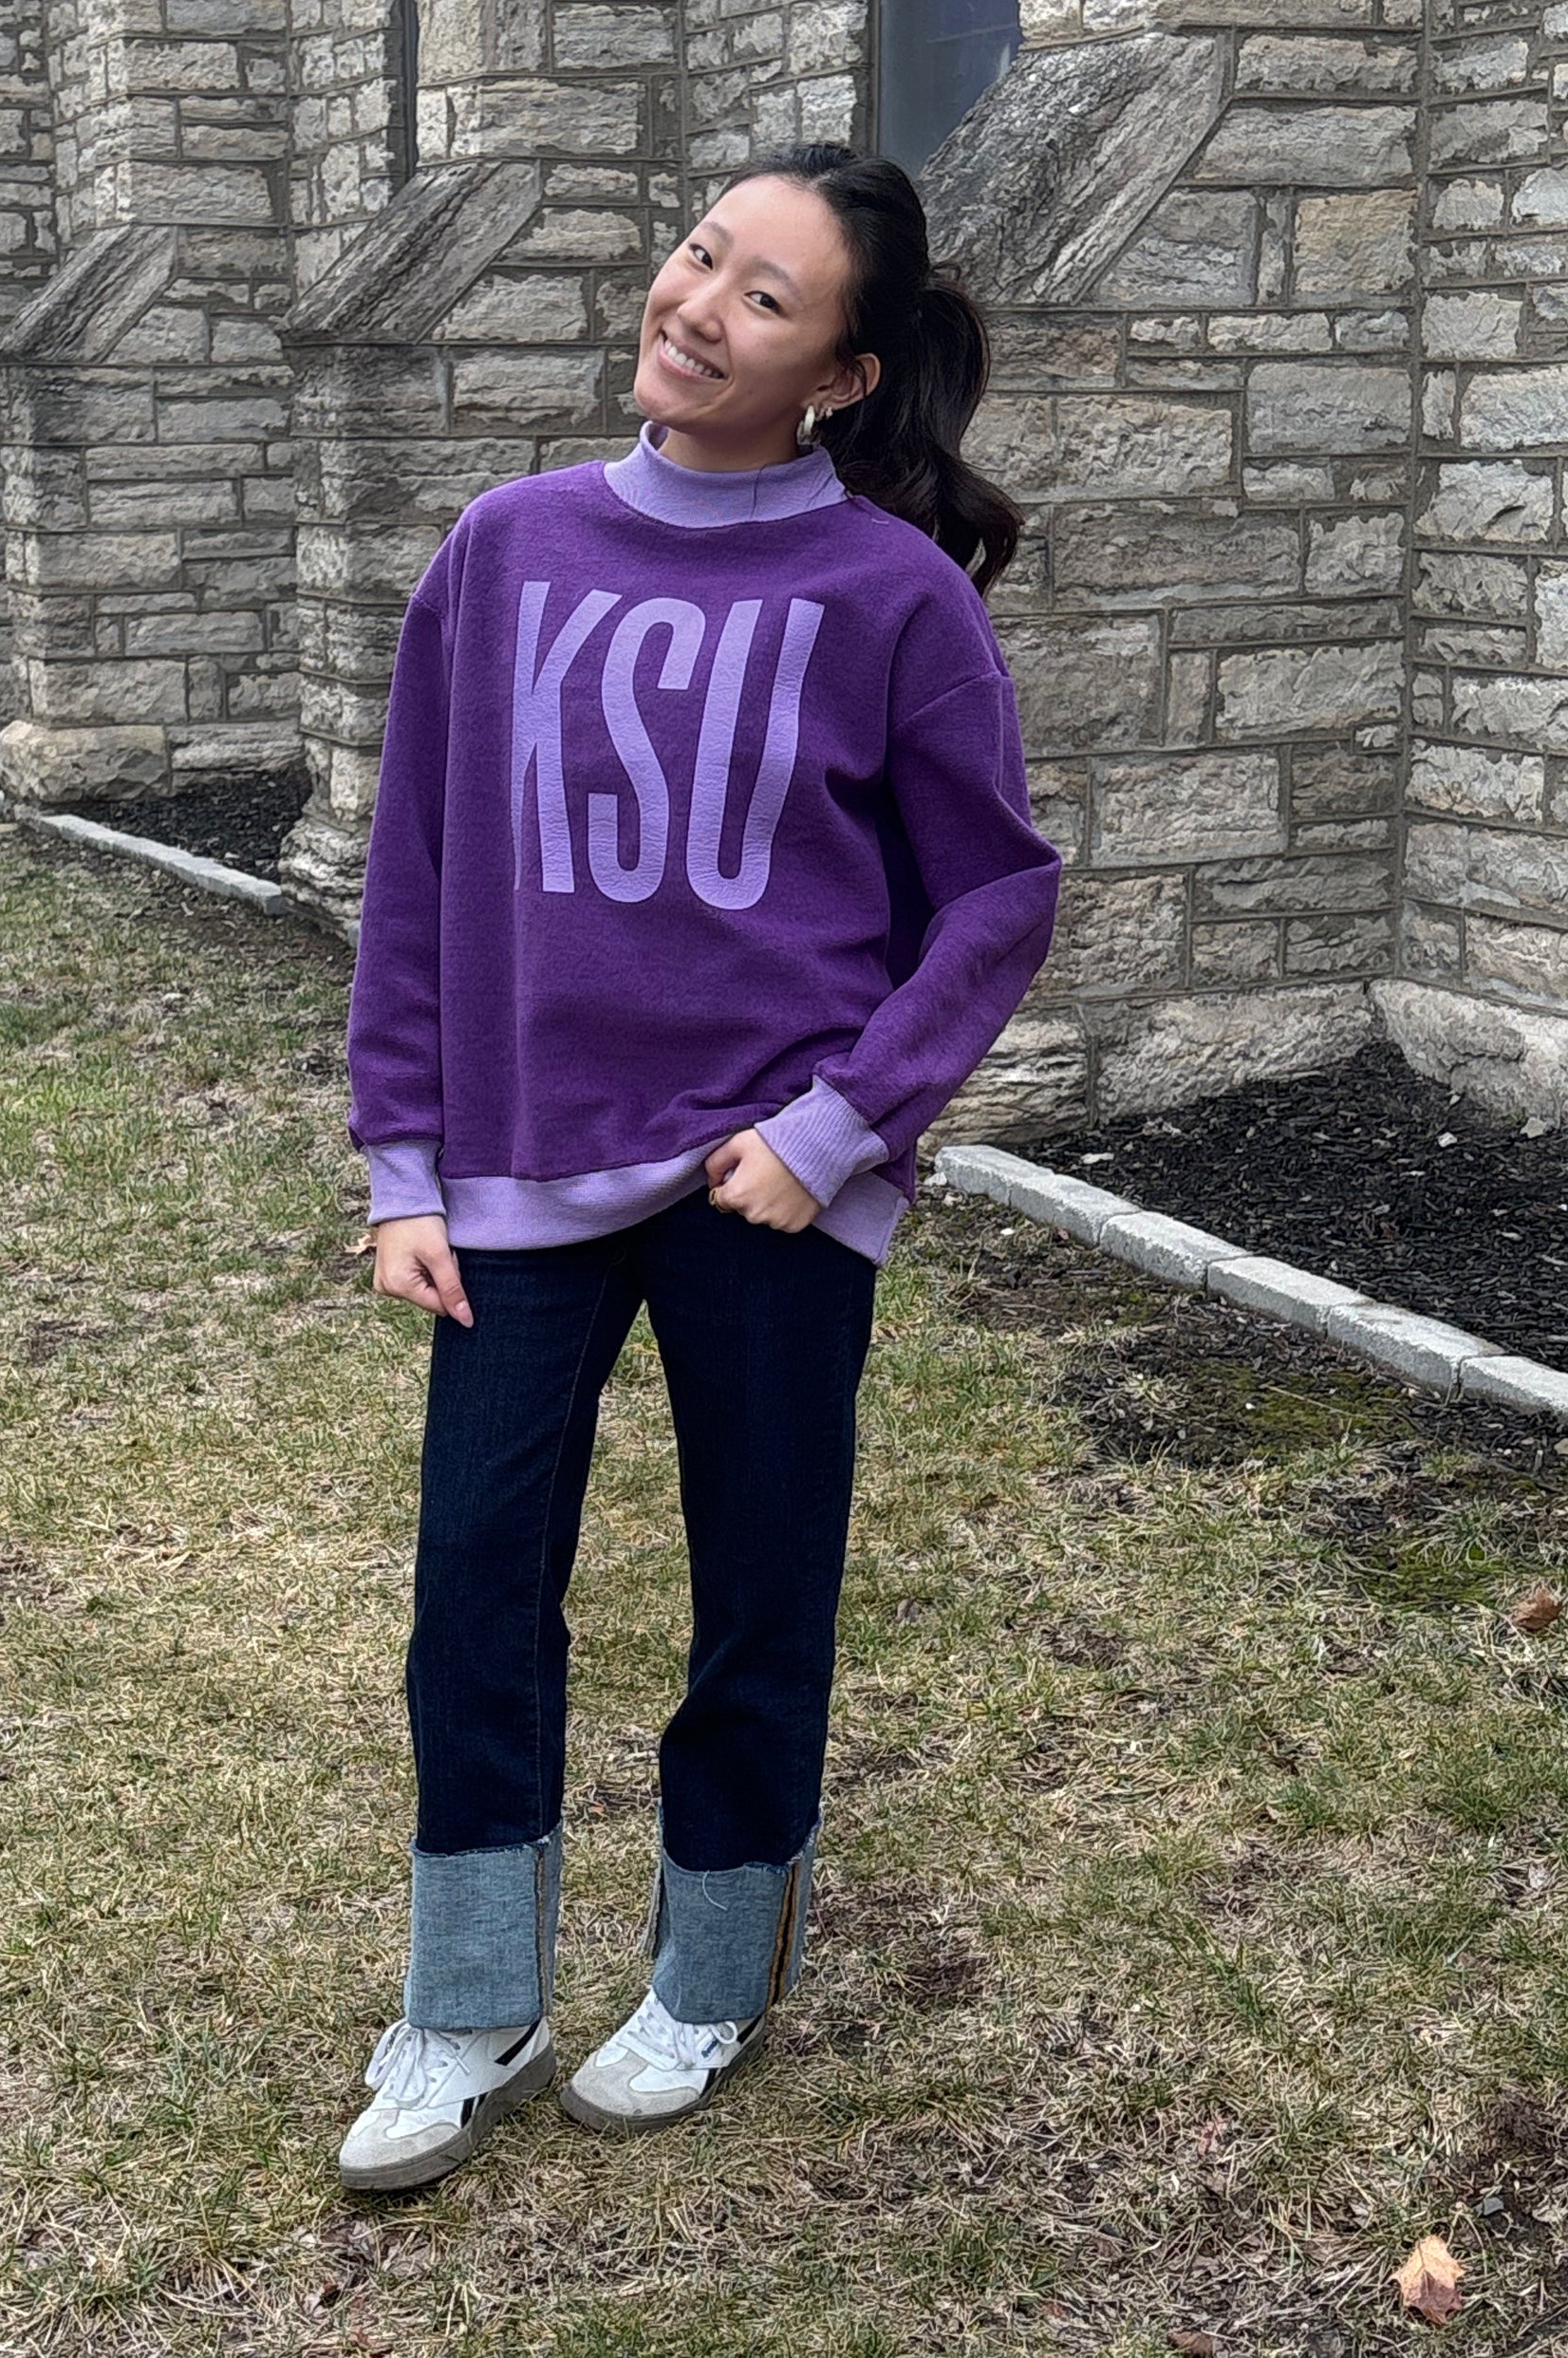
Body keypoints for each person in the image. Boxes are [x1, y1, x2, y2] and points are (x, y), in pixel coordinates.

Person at [335, 140, 1063, 2193]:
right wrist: (403, 1162)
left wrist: (837, 1129)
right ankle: (467, 1999)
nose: (696, 305)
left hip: (768, 1181)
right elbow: (417, 870)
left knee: (761, 1586)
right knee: (477, 1587)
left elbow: (995, 896)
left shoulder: (893, 598)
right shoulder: (504, 550)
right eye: (698, 254)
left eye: (763, 296)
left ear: (839, 373)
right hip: (516, 1175)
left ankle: (713, 1972)